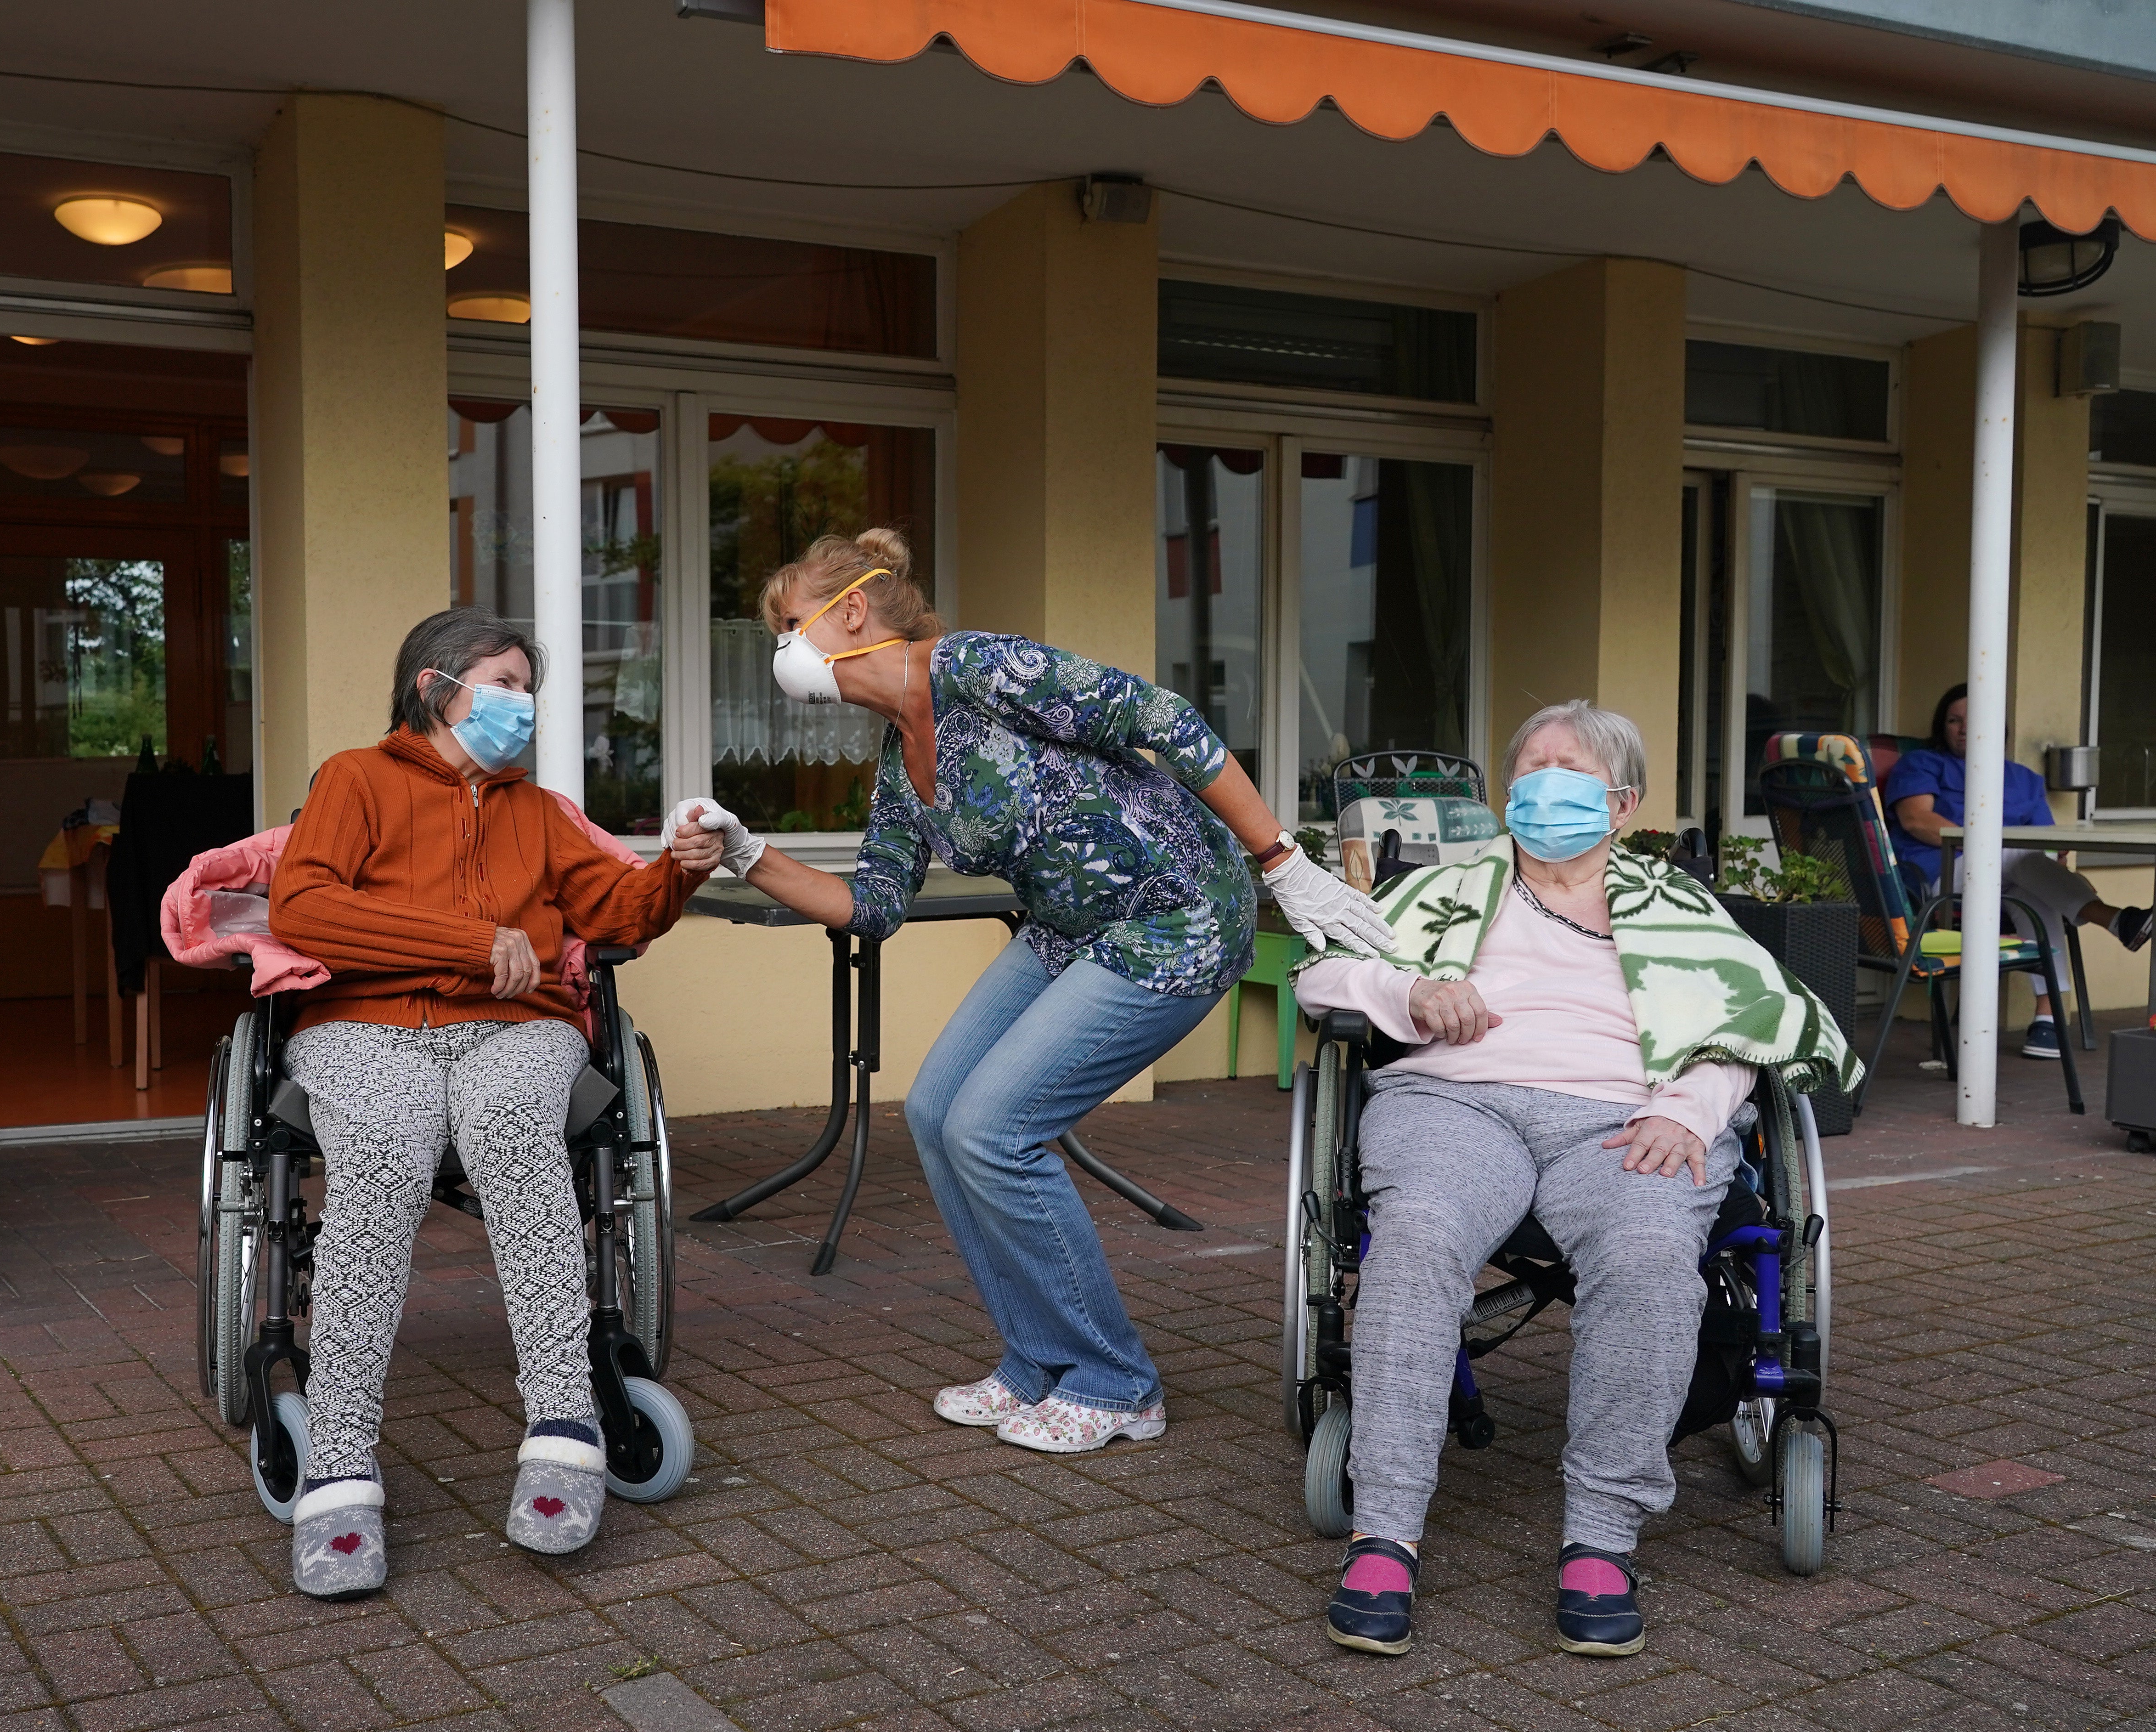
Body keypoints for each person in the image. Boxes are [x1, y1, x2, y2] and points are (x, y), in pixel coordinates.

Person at [674, 528, 1392, 1457]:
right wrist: (746, 851)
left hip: (1174, 917)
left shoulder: (977, 668)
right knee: (937, 1110)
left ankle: (1116, 1379)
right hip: (1072, 928)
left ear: (851, 610)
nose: (782, 651)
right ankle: (1036, 1358)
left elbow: (1163, 717)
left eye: (788, 624)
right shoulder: (901, 756)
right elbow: (872, 906)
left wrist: (1282, 861)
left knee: (994, 1128)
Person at [1292, 701, 1854, 1659]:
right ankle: (1384, 1529)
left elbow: (1760, 1025)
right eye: (1531, 765)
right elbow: (1325, 972)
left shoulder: (1678, 904)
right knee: (1418, 1234)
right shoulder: (1450, 887)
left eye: (1571, 768)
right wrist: (1410, 990)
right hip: (1457, 1102)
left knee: (1646, 1255)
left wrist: (1693, 1106)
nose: (1544, 782)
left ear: (1623, 802)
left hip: (1626, 1118)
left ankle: (1601, 1535)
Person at [266, 607, 723, 1599]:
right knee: (384, 1148)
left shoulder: (539, 810)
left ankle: (564, 1424)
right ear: (436, 686)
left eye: (529, 687)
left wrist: (676, 874)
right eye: (506, 682)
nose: (523, 705)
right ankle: (340, 1456)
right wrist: (469, 941)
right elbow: (303, 906)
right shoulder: (355, 778)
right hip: (364, 1025)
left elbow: (618, 911)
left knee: (518, 1134)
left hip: (518, 1027)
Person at [1879, 682, 2148, 1060]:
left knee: (2030, 889)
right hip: (1939, 877)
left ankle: (2047, 1020)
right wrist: (1992, 846)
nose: (1961, 729)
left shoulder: (2024, 779)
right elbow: (1916, 820)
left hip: (2011, 878)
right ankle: (2116, 920)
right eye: (1953, 720)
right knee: (2014, 855)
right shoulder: (1923, 764)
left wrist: (2058, 869)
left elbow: (2049, 848)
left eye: (1971, 722)